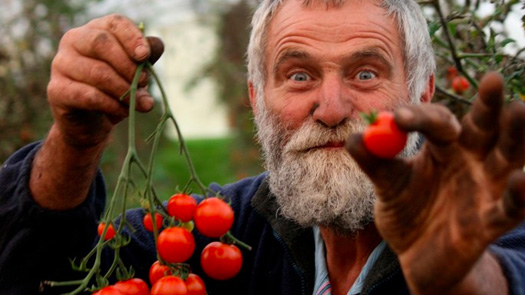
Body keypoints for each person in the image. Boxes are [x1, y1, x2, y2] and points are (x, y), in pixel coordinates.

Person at [1, 0, 524, 294]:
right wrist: (75, 142)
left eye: (366, 73)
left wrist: (466, 276)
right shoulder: (213, 232)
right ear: (256, 97)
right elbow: (44, 272)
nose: (332, 108)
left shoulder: (491, 225)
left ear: (422, 92)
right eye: (298, 75)